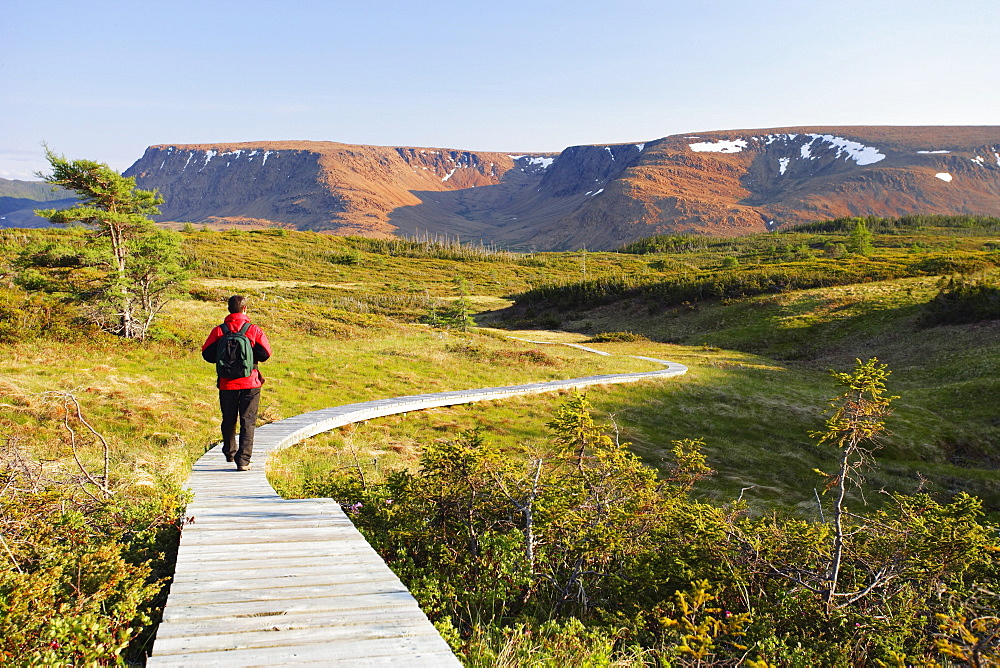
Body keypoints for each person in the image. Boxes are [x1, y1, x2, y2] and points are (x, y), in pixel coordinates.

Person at [201, 295, 272, 471]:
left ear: (229, 309)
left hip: (226, 383)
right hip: (251, 382)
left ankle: (230, 452)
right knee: (248, 421)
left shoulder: (219, 330)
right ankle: (244, 461)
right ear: (245, 309)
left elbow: (207, 354)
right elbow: (266, 354)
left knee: (228, 419)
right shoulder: (253, 330)